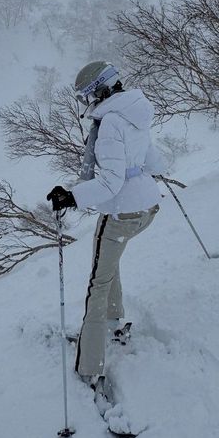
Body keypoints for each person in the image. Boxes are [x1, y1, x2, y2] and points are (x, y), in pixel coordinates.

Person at [47, 61, 165, 395]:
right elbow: (155, 161)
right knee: (108, 266)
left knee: (97, 283)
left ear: (100, 89)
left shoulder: (111, 122)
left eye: (87, 96)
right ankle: (113, 324)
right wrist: (138, 171)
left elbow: (111, 183)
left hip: (122, 212)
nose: (88, 103)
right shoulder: (135, 110)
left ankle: (90, 366)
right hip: (146, 209)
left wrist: (71, 196)